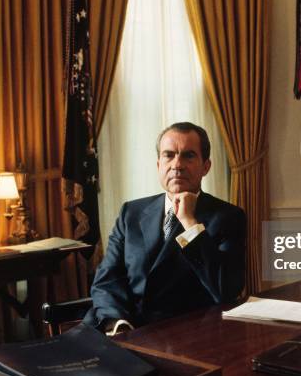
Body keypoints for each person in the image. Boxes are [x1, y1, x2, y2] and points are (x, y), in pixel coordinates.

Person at [85, 122, 246, 332]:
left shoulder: (228, 217)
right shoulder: (131, 213)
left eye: (188, 156)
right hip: (122, 328)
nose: (177, 164)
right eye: (169, 155)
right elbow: (107, 281)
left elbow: (226, 290)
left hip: (186, 335)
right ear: (158, 164)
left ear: (206, 166)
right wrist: (117, 323)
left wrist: (190, 223)